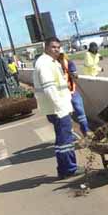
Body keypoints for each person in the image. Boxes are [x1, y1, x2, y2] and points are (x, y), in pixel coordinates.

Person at [34, 37, 78, 179]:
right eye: (53, 47)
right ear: (46, 48)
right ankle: (70, 169)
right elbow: (50, 89)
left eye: (58, 47)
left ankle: (63, 169)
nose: (56, 50)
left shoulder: (51, 62)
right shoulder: (45, 64)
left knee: (61, 141)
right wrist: (60, 108)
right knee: (66, 141)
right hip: (58, 109)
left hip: (57, 108)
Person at [59, 53, 91, 137]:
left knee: (80, 111)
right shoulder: (54, 66)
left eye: (62, 57)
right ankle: (70, 133)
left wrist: (71, 73)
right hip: (61, 94)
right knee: (66, 115)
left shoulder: (69, 63)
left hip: (72, 91)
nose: (61, 59)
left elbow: (75, 76)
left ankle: (86, 131)